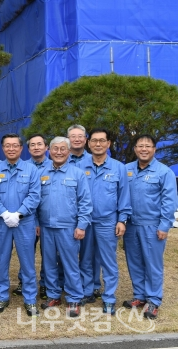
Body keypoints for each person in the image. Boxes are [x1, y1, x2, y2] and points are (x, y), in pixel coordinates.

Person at [76, 129, 131, 315]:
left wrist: (122, 220)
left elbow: (124, 196)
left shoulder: (118, 168)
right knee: (85, 258)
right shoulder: (79, 166)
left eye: (102, 141)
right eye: (94, 141)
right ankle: (87, 291)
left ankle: (108, 297)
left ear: (109, 144)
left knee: (108, 261)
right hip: (84, 221)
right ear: (88, 143)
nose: (98, 144)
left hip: (108, 222)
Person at [123, 134, 177, 319]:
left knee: (153, 264)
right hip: (131, 225)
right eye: (140, 146)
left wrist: (164, 226)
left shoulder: (164, 172)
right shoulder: (126, 170)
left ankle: (153, 300)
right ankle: (139, 295)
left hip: (153, 226)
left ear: (154, 149)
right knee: (134, 261)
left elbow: (169, 202)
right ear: (135, 149)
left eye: (148, 146)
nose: (143, 149)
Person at [38, 137, 92, 318]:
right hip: (46, 226)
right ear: (49, 151)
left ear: (69, 152)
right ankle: (54, 295)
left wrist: (82, 225)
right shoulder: (42, 173)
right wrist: (38, 224)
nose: (59, 152)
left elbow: (85, 202)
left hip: (69, 227)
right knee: (49, 264)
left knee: (70, 264)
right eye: (55, 149)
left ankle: (74, 297)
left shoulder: (77, 174)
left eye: (62, 149)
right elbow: (36, 201)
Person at [0, 134, 41, 316]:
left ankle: (30, 299)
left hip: (24, 222)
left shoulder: (31, 169)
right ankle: (2, 296)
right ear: (2, 148)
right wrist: (4, 213)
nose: (11, 149)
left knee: (27, 262)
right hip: (2, 222)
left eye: (15, 146)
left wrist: (18, 213)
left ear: (20, 148)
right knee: (1, 260)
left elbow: (34, 195)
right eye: (7, 146)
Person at [14, 134, 59, 300]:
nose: (36, 147)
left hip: (49, 217)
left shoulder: (55, 165)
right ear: (28, 148)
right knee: (26, 252)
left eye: (40, 144)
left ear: (46, 147)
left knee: (48, 254)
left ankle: (45, 284)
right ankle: (24, 282)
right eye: (32, 145)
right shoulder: (23, 167)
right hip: (28, 218)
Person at [67, 124, 102, 299]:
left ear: (86, 140)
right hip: (68, 218)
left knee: (90, 254)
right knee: (67, 254)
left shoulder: (93, 160)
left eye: (81, 136)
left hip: (91, 217)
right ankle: (67, 283)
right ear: (68, 139)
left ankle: (92, 285)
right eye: (73, 136)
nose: (77, 139)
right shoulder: (62, 159)